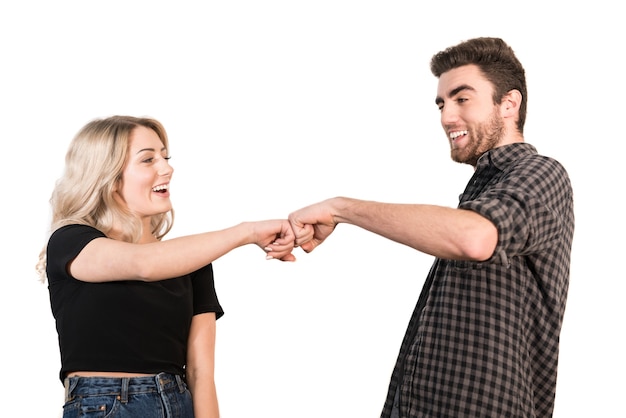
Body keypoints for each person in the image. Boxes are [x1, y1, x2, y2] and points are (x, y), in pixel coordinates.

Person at [288, 37, 574, 417]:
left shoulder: (541, 173)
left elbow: (475, 238)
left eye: (462, 99)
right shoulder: (482, 191)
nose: (446, 117)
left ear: (509, 103)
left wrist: (341, 209)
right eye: (442, 104)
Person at [36, 115, 296, 418]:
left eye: (165, 157)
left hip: (178, 403)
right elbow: (142, 265)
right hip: (108, 405)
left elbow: (201, 375)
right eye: (148, 160)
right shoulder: (71, 242)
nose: (167, 168)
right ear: (108, 175)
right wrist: (246, 232)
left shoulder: (191, 261)